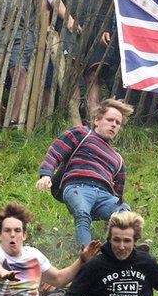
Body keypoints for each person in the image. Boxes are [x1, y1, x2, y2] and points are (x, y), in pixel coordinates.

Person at [36, 98, 133, 248]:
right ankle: (87, 257)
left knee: (125, 214)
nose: (114, 124)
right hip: (77, 187)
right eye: (110, 119)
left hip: (104, 195)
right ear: (96, 120)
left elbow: (118, 195)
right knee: (82, 214)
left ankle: (128, 251)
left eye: (118, 123)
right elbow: (55, 152)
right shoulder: (82, 134)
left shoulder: (118, 160)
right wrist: (46, 175)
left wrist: (115, 217)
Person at [44, 0, 112, 118]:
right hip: (68, 24)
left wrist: (105, 28)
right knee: (72, 74)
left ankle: (93, 124)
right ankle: (76, 122)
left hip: (97, 26)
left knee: (93, 77)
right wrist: (68, 19)